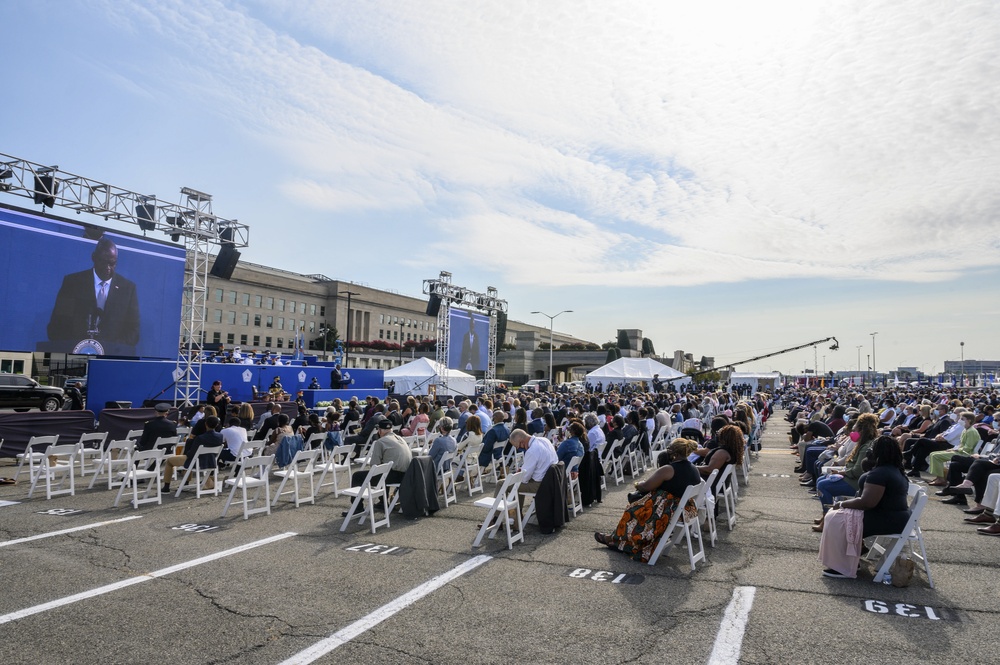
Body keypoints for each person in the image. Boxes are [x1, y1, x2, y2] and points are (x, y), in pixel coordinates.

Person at [594, 439, 702, 563]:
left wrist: (637, 484)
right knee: (639, 507)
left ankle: (614, 539)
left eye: (669, 450)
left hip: (668, 511)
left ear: (675, 454)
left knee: (633, 510)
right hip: (685, 510)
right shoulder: (694, 468)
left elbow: (646, 487)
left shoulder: (669, 469)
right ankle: (619, 541)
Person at [819, 435, 911, 578]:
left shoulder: (880, 474)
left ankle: (845, 567)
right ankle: (852, 555)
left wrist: (842, 503)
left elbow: (868, 502)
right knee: (836, 515)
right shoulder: (893, 470)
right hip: (893, 517)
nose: (870, 450)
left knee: (836, 518)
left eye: (873, 449)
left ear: (879, 453)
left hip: (888, 519)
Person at [46, 235, 140, 355]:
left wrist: (112, 349)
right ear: (94, 257)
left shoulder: (128, 289)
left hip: (110, 361)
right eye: (104, 262)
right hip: (74, 357)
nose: (108, 268)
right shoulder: (73, 283)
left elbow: (133, 331)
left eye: (112, 263)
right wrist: (77, 348)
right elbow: (57, 325)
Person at [345, 420, 412, 514]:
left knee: (357, 476)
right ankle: (382, 502)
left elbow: (374, 465)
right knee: (385, 470)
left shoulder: (380, 442)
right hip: (405, 474)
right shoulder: (400, 438)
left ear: (380, 430)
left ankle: (357, 507)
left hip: (394, 475)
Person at [163, 416, 223, 492]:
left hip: (197, 462)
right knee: (191, 458)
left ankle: (166, 487)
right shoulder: (220, 436)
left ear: (206, 424)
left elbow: (191, 454)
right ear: (217, 425)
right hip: (211, 461)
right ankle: (185, 483)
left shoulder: (200, 438)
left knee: (169, 461)